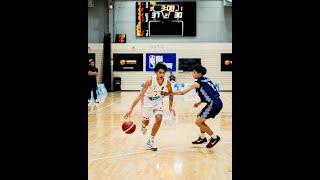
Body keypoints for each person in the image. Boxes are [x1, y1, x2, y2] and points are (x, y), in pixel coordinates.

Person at [165, 64, 223, 149]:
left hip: (213, 104)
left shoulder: (197, 83)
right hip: (216, 102)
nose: (193, 73)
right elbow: (209, 93)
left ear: (199, 74)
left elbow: (182, 92)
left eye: (194, 72)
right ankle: (202, 138)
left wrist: (169, 93)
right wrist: (199, 102)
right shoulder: (207, 79)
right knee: (199, 116)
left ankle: (214, 137)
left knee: (198, 122)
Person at [124, 63, 175, 151]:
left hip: (158, 100)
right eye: (160, 72)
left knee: (159, 118)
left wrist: (170, 107)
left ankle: (151, 140)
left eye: (163, 72)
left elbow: (171, 94)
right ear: (156, 72)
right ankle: (143, 125)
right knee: (146, 122)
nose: (162, 74)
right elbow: (140, 95)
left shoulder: (167, 82)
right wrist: (130, 109)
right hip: (147, 101)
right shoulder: (149, 80)